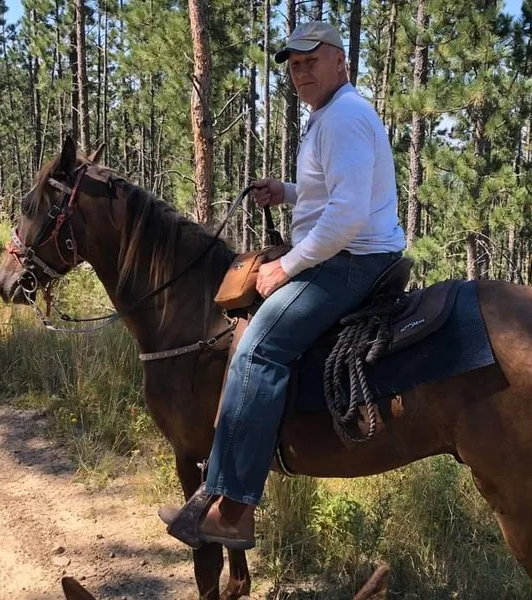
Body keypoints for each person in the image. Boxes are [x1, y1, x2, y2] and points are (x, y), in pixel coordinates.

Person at [159, 20, 406, 549]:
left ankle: (234, 510)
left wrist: (286, 266)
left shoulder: (343, 118)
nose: (300, 73)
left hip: (353, 260)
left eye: (311, 61)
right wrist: (289, 192)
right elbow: (333, 192)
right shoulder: (332, 115)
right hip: (348, 252)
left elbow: (347, 217)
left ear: (340, 61)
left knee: (258, 348)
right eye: (294, 66)